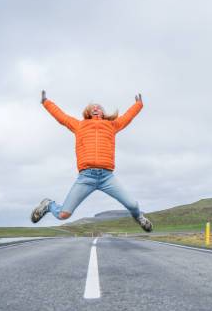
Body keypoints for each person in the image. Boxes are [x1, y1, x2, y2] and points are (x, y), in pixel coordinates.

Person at [30, 90, 153, 232]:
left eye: (99, 108)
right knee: (63, 215)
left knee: (132, 204)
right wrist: (46, 102)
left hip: (107, 177)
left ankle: (139, 218)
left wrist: (138, 105)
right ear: (88, 112)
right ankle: (49, 205)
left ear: (103, 113)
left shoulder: (112, 125)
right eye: (93, 107)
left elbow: (127, 117)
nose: (96, 108)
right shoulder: (79, 125)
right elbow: (61, 117)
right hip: (86, 177)